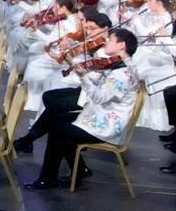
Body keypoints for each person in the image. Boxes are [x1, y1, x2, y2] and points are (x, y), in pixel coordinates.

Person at [26, 28, 140, 189]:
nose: (106, 42)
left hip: (106, 126)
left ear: (121, 45)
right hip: (97, 116)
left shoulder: (122, 74)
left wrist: (83, 76)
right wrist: (78, 67)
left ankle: (49, 178)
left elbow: (99, 97)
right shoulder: (121, 66)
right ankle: (78, 170)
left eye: (110, 39)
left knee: (58, 130)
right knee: (57, 119)